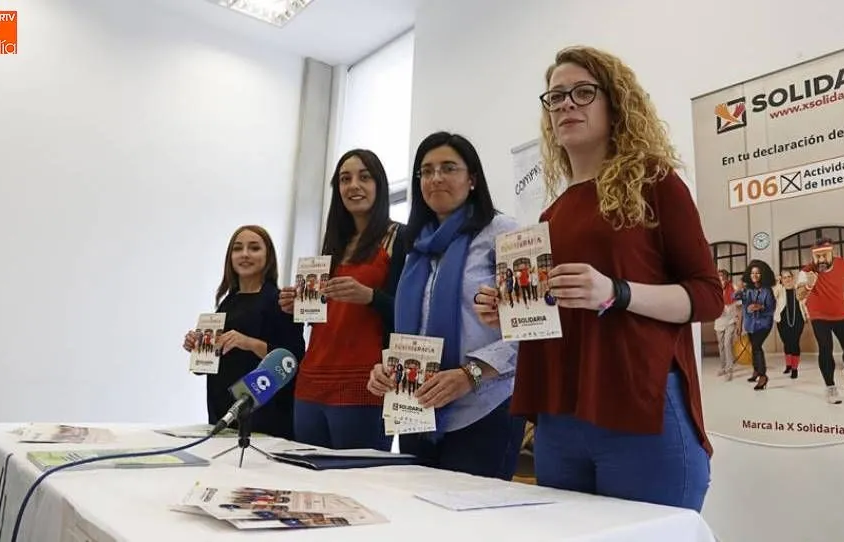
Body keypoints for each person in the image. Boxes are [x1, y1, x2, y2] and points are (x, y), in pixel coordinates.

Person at [475, 46, 722, 512]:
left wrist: (616, 292)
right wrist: (509, 313)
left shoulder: (655, 182)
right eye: (556, 97)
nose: (566, 104)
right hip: (560, 416)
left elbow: (709, 296)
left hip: (640, 407)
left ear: (615, 102)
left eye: (583, 92)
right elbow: (556, 320)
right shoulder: (551, 214)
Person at [366, 131, 525, 480]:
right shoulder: (416, 245)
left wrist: (471, 375)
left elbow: (531, 328)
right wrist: (388, 368)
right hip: (415, 410)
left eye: (449, 168)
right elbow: (412, 325)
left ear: (472, 179)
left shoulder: (504, 232)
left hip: (485, 408)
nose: (436, 177)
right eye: (426, 171)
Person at [279, 149, 406, 451]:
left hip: (364, 382)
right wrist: (299, 305)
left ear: (379, 185)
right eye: (345, 179)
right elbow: (326, 315)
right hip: (311, 380)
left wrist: (371, 297)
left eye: (364, 177)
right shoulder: (333, 245)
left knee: (357, 477)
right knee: (306, 475)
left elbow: (411, 312)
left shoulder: (398, 237)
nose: (353, 186)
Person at [182, 225, 305, 438]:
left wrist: (248, 343)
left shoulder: (280, 303)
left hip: (266, 413)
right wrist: (200, 347)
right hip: (222, 409)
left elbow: (292, 359)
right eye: (238, 248)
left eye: (254, 248)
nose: (245, 254)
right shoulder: (227, 302)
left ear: (268, 256)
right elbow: (209, 365)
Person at [796, 238, 844, 404]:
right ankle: (830, 387)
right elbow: (799, 295)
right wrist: (808, 286)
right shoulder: (807, 271)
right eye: (818, 256)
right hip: (819, 315)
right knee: (825, 348)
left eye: (825, 255)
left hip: (841, 313)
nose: (821, 259)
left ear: (833, 253)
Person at [733, 260, 776, 390]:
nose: (755, 275)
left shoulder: (767, 291)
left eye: (757, 273)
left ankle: (763, 376)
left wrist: (760, 307)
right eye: (752, 273)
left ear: (762, 275)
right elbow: (734, 297)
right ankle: (756, 370)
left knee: (757, 346)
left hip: (764, 324)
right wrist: (739, 289)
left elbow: (771, 309)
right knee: (754, 347)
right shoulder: (747, 289)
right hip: (750, 324)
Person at [774, 269, 808, 379]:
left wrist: (807, 315)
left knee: (795, 343)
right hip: (782, 321)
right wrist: (777, 283)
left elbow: (805, 303)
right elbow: (772, 296)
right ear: (782, 280)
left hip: (798, 320)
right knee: (786, 343)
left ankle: (794, 369)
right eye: (784, 278)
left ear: (793, 278)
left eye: (789, 277)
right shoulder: (779, 290)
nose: (787, 279)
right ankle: (788, 365)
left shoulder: (798, 289)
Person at [714, 269, 739, 381]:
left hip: (731, 320)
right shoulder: (714, 290)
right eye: (719, 278)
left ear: (727, 279)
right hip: (719, 321)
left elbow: (739, 306)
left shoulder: (733, 288)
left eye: (723, 278)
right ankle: (723, 367)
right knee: (721, 345)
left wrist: (739, 323)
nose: (721, 281)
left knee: (727, 343)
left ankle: (729, 370)